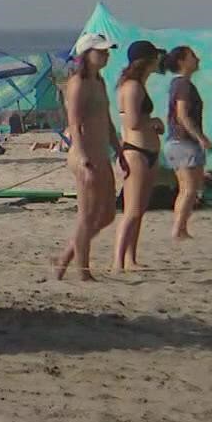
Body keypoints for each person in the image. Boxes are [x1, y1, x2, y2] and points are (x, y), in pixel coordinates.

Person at [56, 33, 124, 281]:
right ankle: (82, 272)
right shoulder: (78, 83)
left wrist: (119, 150)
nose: (106, 55)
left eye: (107, 51)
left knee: (107, 214)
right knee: (87, 215)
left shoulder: (100, 81)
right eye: (101, 51)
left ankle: (67, 255)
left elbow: (106, 120)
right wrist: (84, 157)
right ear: (86, 55)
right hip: (84, 155)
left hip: (101, 153)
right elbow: (73, 123)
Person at [113, 40, 164, 272]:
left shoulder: (139, 84)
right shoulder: (132, 86)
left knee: (140, 210)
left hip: (148, 151)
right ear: (147, 60)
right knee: (131, 211)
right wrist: (153, 121)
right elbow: (132, 122)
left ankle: (131, 259)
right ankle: (117, 261)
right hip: (136, 152)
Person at [162, 45, 208, 240]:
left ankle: (181, 228)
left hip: (179, 142)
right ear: (182, 61)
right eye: (192, 56)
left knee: (188, 188)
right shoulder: (182, 85)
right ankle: (178, 229)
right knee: (188, 188)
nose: (197, 59)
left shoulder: (180, 84)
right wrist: (200, 137)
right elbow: (182, 115)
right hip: (183, 142)